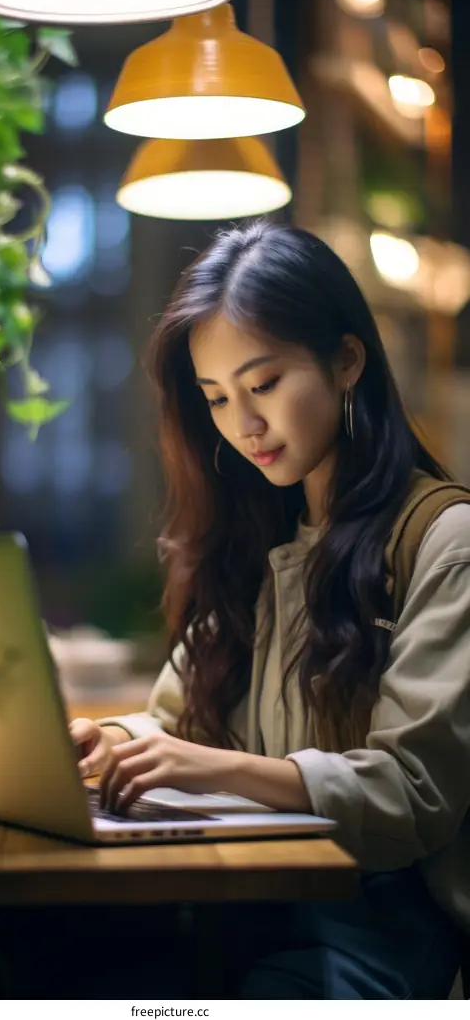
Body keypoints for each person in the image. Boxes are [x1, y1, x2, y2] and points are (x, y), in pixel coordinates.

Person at [70, 222, 470, 999]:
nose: (242, 422)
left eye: (263, 384)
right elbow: (177, 720)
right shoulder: (261, 535)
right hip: (249, 899)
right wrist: (108, 738)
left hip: (382, 926)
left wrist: (216, 766)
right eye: (217, 397)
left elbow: (413, 793)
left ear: (348, 360)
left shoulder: (443, 540)